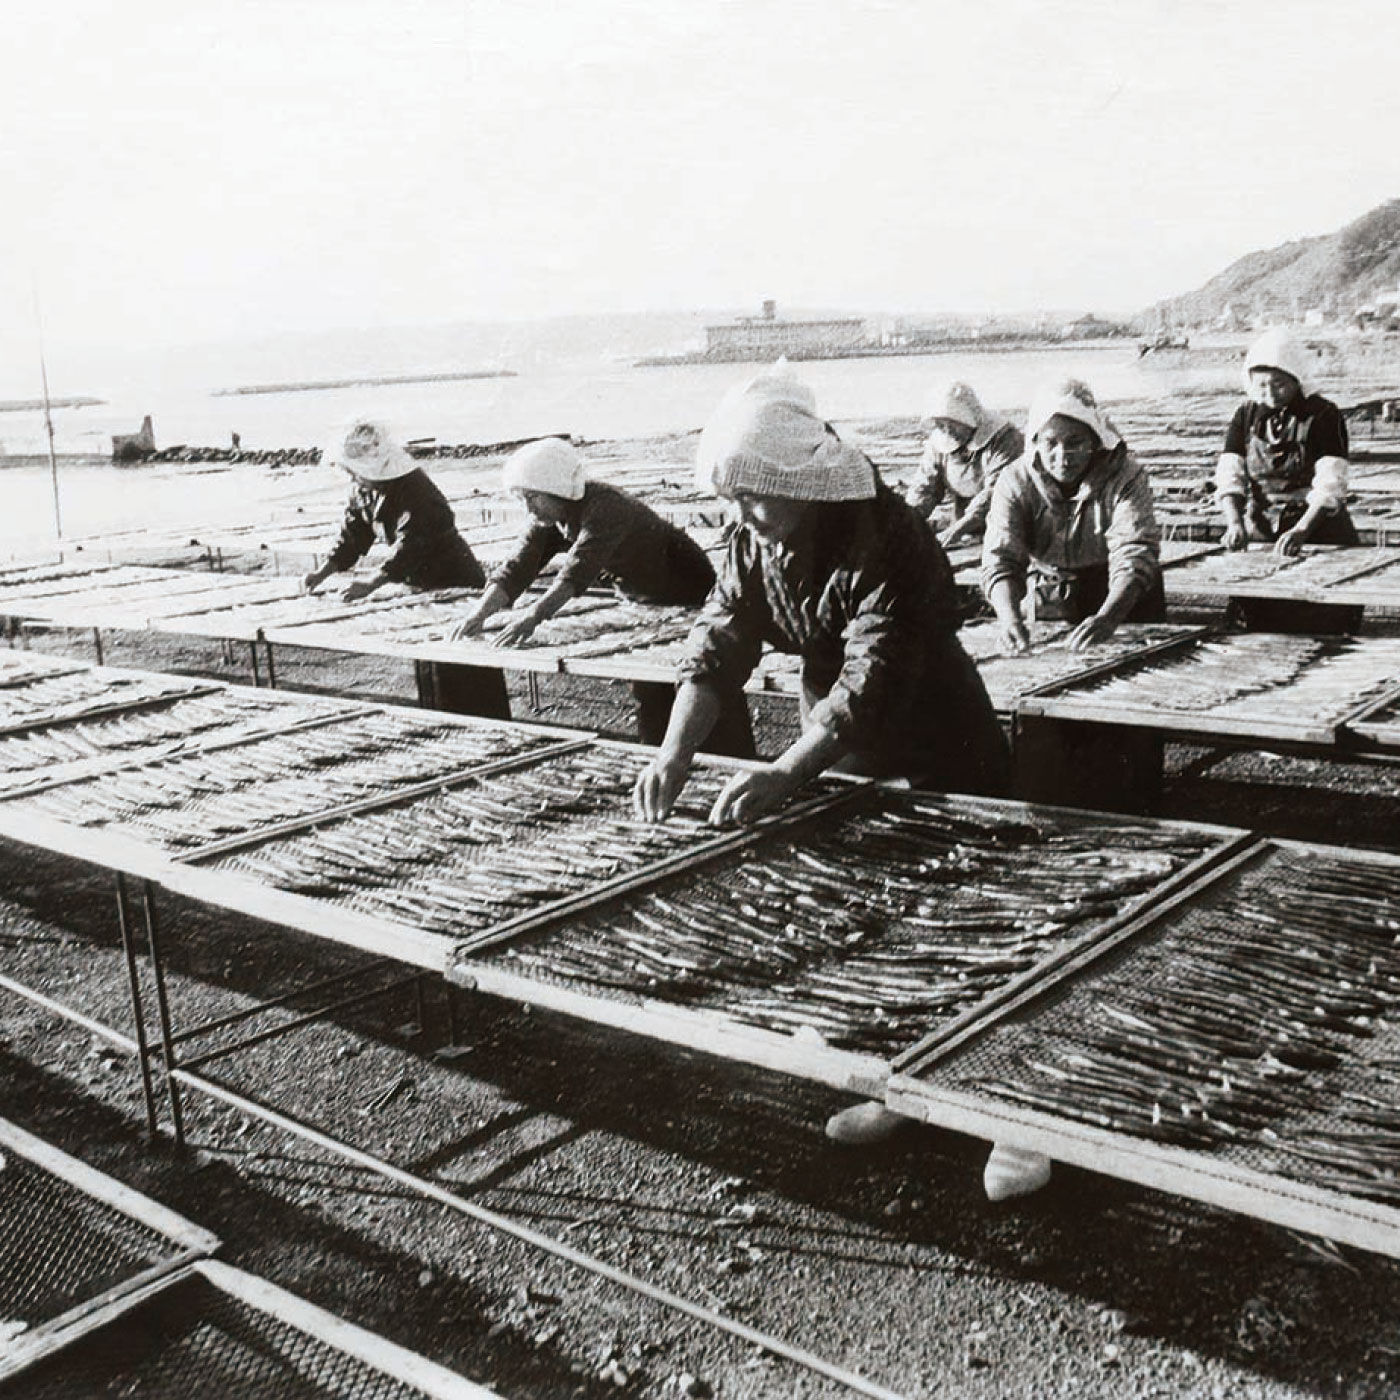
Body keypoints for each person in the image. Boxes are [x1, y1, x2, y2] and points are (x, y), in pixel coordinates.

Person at [630, 372, 1043, 1200]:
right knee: (876, 920)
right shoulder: (756, 535)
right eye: (735, 499)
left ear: (799, 479)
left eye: (755, 496)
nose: (743, 514)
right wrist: (676, 748)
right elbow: (720, 640)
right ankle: (900, 1086)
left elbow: (876, 672)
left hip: (935, 736)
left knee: (976, 920)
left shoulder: (886, 536)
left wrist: (786, 769)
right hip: (842, 741)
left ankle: (1018, 1120)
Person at [451, 436, 753, 753]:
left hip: (685, 584)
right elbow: (517, 568)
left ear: (557, 489)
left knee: (705, 673)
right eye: (522, 499)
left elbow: (576, 572)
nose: (528, 508)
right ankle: (659, 757)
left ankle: (729, 756)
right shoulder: (549, 517)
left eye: (533, 498)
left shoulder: (606, 507)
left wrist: (532, 617)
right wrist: (479, 614)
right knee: (650, 682)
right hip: (639, 595)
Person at [305, 419, 509, 718]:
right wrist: (322, 572)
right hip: (418, 585)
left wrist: (371, 583)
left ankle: (489, 724)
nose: (350, 477)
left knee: (466, 661)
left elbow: (412, 544)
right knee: (431, 660)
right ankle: (445, 721)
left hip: (453, 579)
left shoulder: (416, 490)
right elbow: (352, 535)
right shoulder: (364, 489)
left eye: (352, 470)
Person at [981, 378, 1163, 654]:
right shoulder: (1015, 480)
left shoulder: (1126, 475)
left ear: (1094, 439)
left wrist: (1109, 617)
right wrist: (1009, 619)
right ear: (1036, 441)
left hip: (1122, 593)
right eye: (1051, 443)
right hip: (1053, 588)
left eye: (1075, 442)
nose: (1062, 456)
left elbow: (1133, 552)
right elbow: (1001, 558)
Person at [1215, 328, 1353, 556]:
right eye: (1261, 385)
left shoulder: (1323, 414)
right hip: (1262, 526)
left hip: (1318, 528)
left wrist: (1301, 530)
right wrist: (1235, 523)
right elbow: (1230, 475)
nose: (1270, 393)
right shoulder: (1246, 415)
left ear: (1296, 378)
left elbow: (1331, 482)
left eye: (1278, 384)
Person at [906, 381, 1024, 547]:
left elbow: (996, 493)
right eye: (941, 425)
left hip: (1008, 523)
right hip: (963, 524)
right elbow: (925, 488)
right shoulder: (938, 444)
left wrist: (956, 530)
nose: (947, 431)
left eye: (953, 424)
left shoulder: (1005, 439)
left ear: (967, 418)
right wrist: (908, 521)